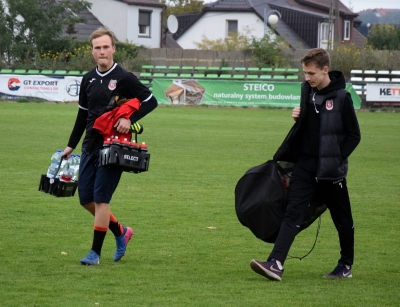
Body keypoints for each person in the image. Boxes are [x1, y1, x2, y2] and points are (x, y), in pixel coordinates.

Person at [250, 48, 361, 281]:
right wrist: (298, 118)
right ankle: (275, 263)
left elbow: (354, 135)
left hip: (331, 172)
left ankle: (346, 265)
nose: (307, 78)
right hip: (304, 165)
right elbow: (309, 128)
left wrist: (335, 160)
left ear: (325, 70)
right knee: (292, 213)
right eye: (305, 73)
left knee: (342, 219)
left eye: (311, 73)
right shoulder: (306, 91)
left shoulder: (342, 98)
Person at [63, 26, 158, 266]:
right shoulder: (88, 79)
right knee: (86, 199)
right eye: (98, 48)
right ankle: (121, 231)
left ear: (113, 49)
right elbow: (82, 116)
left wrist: (129, 119)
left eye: (106, 47)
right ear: (92, 51)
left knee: (101, 198)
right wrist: (70, 146)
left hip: (113, 147)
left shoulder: (124, 78)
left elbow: (151, 101)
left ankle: (95, 254)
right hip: (90, 145)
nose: (102, 51)